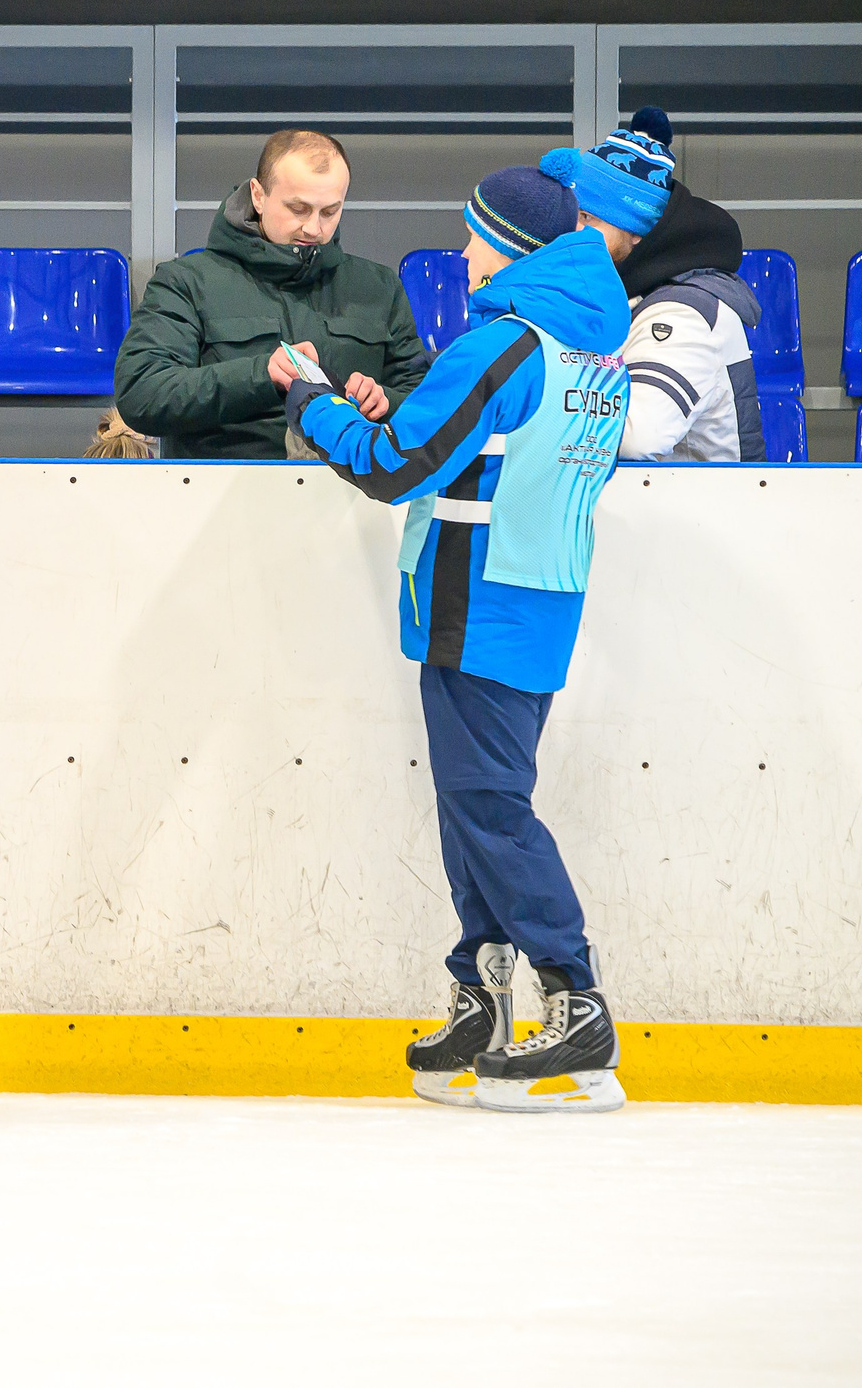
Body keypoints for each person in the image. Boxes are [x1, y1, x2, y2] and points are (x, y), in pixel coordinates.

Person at [272, 165, 631, 1115]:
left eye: (475, 236)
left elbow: (399, 467)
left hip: (479, 609)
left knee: (491, 811)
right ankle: (481, 989)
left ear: (512, 246)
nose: (463, 253)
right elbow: (483, 456)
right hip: (536, 601)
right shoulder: (591, 355)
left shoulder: (500, 345)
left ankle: (573, 995)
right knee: (476, 806)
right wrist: (392, 411)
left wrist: (313, 405)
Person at [116, 129, 430, 457]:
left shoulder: (379, 287)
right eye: (298, 208)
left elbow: (429, 403)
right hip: (224, 495)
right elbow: (142, 394)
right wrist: (261, 376)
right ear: (258, 195)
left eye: (329, 212)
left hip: (352, 493)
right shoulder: (186, 283)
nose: (314, 228)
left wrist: (384, 402)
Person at [545, 108, 764, 462]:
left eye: (588, 217)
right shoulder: (633, 295)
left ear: (636, 231)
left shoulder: (683, 312)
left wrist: (536, 404)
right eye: (572, 217)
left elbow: (639, 437)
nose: (573, 233)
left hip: (703, 513)